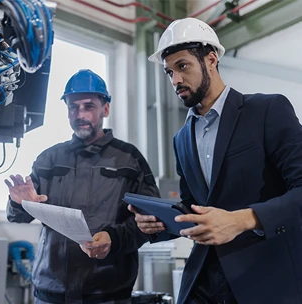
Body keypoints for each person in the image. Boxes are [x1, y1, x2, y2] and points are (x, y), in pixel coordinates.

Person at [129, 17, 302, 304]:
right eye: (168, 72)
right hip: (204, 280)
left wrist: (242, 220)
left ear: (211, 59)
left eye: (182, 66)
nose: (175, 80)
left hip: (265, 278)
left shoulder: (267, 110)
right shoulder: (182, 139)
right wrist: (159, 224)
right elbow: (192, 206)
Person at [5, 69, 160, 304]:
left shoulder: (129, 159)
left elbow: (151, 222)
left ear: (105, 109)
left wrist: (113, 238)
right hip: (51, 293)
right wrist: (19, 203)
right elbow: (18, 217)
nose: (80, 114)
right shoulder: (48, 160)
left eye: (88, 106)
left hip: (108, 293)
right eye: (73, 107)